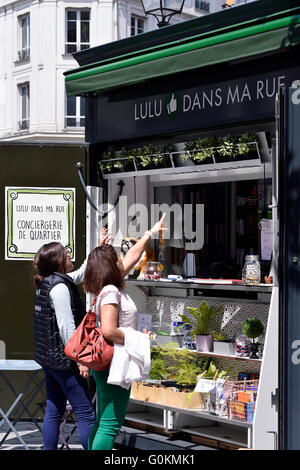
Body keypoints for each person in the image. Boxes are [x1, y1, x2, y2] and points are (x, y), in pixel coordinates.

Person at [84, 214, 167, 450]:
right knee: (110, 424)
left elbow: (133, 255)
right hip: (114, 361)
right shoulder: (110, 291)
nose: (123, 258)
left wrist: (150, 233)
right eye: (118, 257)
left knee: (102, 420)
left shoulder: (108, 283)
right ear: (112, 265)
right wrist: (138, 338)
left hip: (108, 361)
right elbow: (110, 330)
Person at [33, 229, 110, 450]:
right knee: (85, 412)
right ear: (58, 261)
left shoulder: (49, 281)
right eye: (66, 254)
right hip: (65, 361)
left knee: (53, 408)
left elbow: (79, 274)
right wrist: (81, 360)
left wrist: (97, 248)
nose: (69, 256)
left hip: (49, 359)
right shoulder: (59, 289)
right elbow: (66, 327)